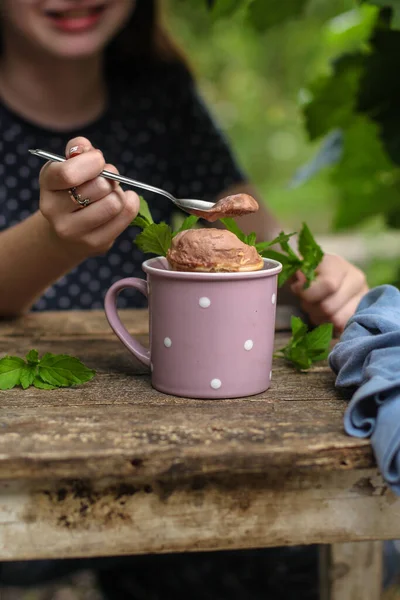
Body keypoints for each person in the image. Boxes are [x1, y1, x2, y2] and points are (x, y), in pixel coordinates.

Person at [0, 0, 368, 597]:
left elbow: (244, 224)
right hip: (33, 469)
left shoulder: (159, 96)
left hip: (185, 458)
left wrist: (310, 273)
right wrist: (52, 238)